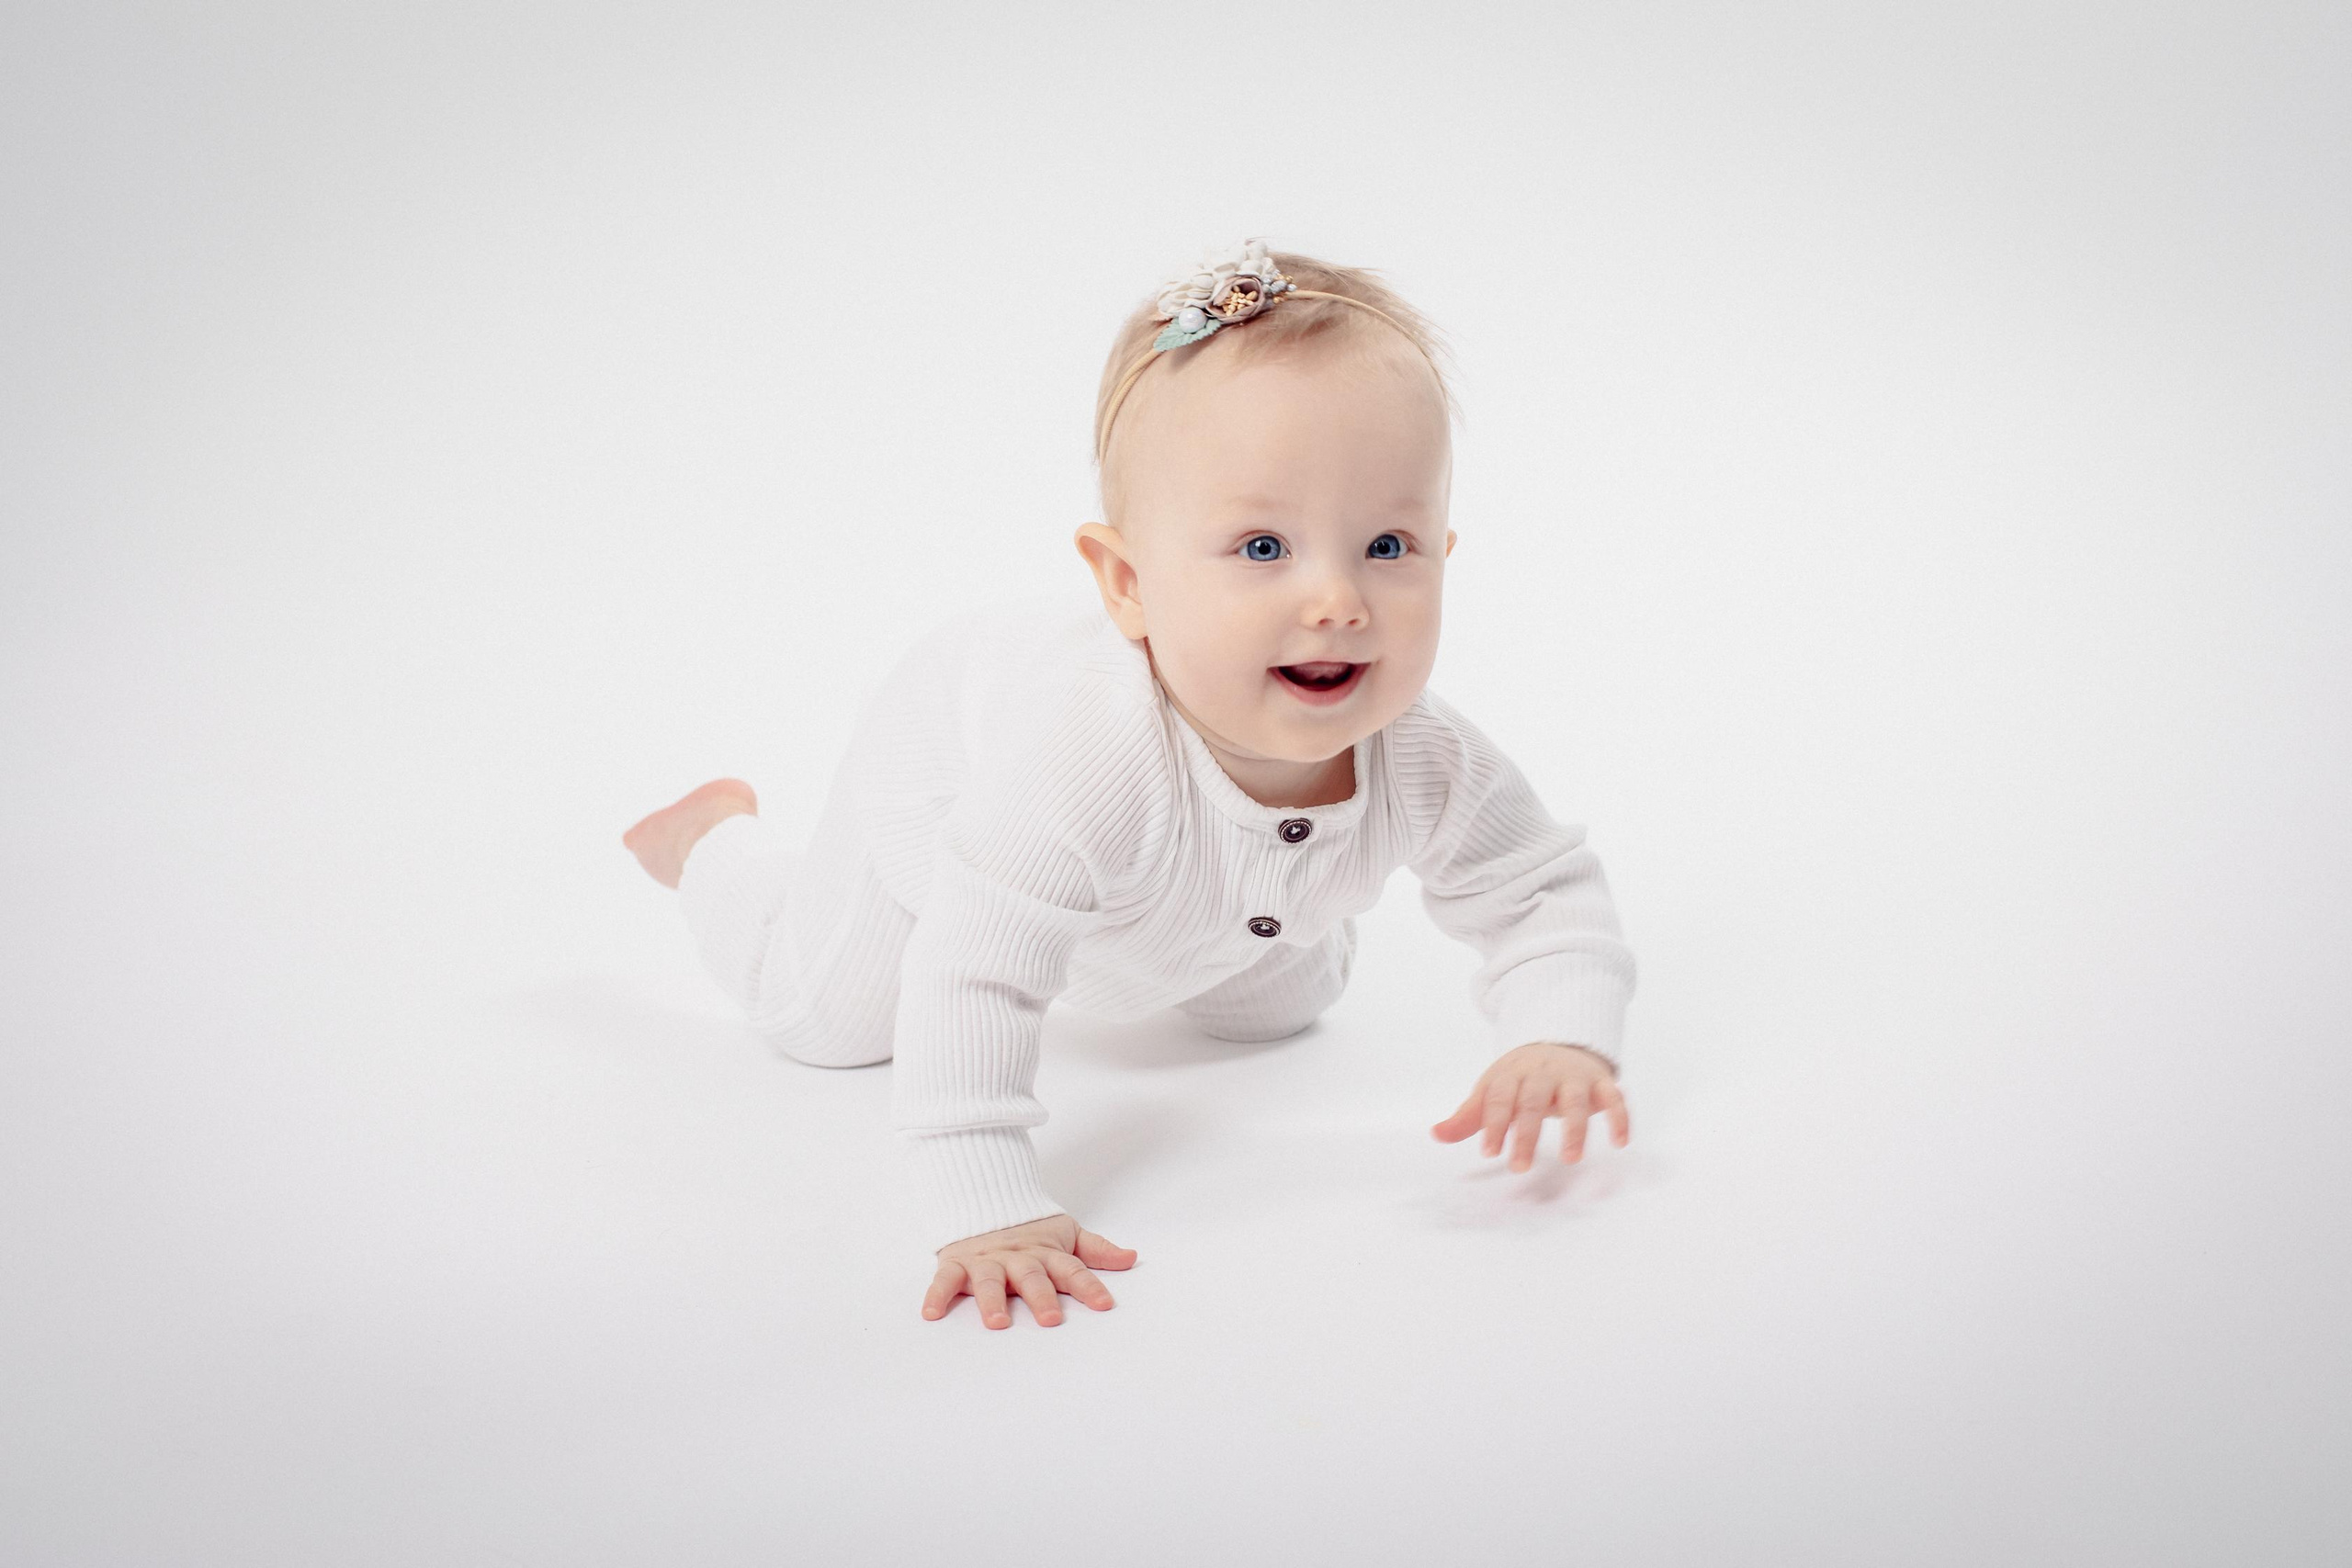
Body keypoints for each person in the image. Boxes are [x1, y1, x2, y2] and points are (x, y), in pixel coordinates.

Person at [622, 240, 1637, 1331]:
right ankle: (709, 842)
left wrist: (1559, 1031)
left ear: (1444, 549)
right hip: (945, 799)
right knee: (818, 1016)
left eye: (1388, 543)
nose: (1339, 599)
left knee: (1281, 1009)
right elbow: (974, 981)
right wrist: (987, 1200)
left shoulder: (1428, 753)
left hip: (1188, 903)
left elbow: (1540, 891)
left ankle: (1245, 926)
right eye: (1261, 547)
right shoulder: (1078, 768)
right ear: (1127, 583)